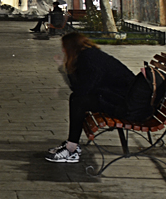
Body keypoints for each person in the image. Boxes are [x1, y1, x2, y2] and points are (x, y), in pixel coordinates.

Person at [46, 31, 136, 163]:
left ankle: (71, 149)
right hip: (120, 98)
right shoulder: (89, 54)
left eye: (64, 47)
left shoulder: (88, 59)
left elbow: (81, 89)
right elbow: (82, 87)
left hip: (125, 105)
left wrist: (64, 67)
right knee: (77, 99)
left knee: (78, 101)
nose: (63, 50)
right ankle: (71, 144)